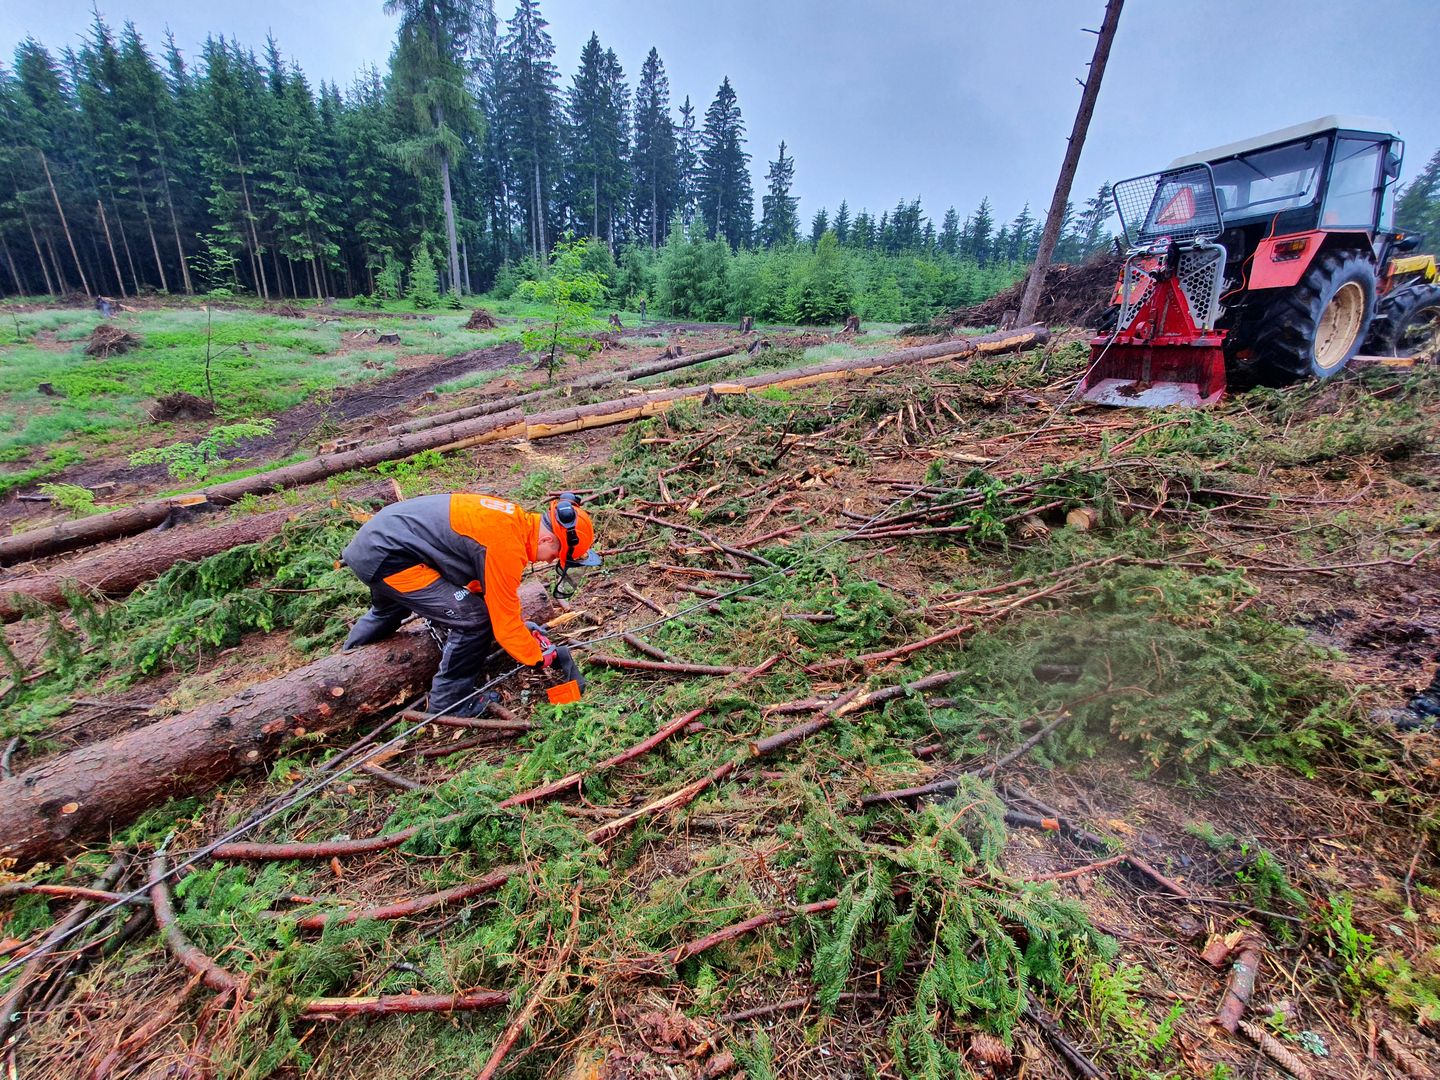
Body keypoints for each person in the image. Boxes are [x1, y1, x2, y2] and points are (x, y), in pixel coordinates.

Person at [340, 491, 599, 716]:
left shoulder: (512, 522)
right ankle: (448, 702)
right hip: (390, 556)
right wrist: (538, 657)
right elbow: (503, 623)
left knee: (387, 611)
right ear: (546, 539)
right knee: (474, 620)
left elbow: (488, 590)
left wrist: (524, 631)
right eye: (555, 554)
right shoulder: (507, 546)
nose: (548, 560)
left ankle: (347, 663)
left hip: (379, 543)